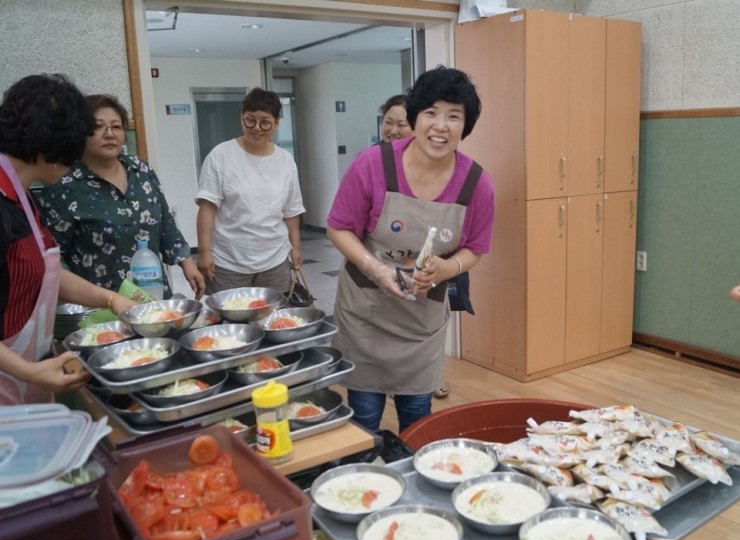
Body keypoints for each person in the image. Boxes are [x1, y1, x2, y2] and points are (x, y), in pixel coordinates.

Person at [327, 66, 495, 433]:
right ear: (416, 117)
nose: (440, 126)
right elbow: (338, 228)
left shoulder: (477, 184)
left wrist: (447, 269)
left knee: (417, 416)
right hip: (365, 313)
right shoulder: (372, 165)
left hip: (421, 319)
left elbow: (475, 249)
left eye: (454, 116)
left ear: (465, 125)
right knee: (365, 414)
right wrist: (376, 269)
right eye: (431, 112)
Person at [0, 74, 135, 404]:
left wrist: (111, 300)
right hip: (16, 374)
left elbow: (47, 274)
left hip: (29, 369)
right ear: (50, 143)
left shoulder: (22, 195)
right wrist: (29, 372)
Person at [36, 94, 204, 300]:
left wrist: (187, 263)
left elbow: (165, 222)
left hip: (152, 298)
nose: (109, 134)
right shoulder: (64, 185)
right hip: (101, 305)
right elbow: (53, 257)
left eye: (116, 127)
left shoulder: (140, 169)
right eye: (98, 127)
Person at [195, 87, 305, 294]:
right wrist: (204, 252)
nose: (257, 128)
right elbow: (207, 209)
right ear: (241, 118)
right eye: (250, 120)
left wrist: (296, 248)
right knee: (229, 313)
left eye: (265, 122)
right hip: (228, 261)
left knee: (275, 312)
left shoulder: (285, 161)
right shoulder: (220, 156)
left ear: (276, 123)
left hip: (275, 260)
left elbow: (291, 211)